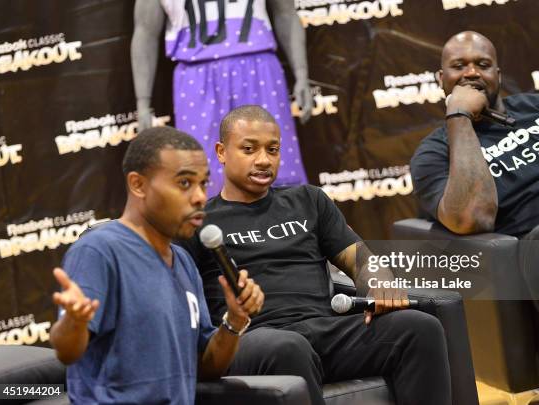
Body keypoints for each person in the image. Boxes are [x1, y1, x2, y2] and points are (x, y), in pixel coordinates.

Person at [178, 105, 452, 405]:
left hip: (323, 330)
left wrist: (380, 282)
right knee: (289, 347)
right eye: (249, 149)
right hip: (254, 339)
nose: (263, 160)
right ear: (221, 152)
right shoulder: (200, 222)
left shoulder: (309, 200)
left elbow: (360, 259)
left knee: (419, 328)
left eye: (273, 150)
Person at [410, 31, 539, 394]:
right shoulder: (434, 154)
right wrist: (459, 118)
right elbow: (471, 218)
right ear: (442, 80)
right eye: (459, 66)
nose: (471, 73)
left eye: (482, 65)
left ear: (498, 74)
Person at [49, 126, 264, 404]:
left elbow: (206, 366)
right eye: (185, 183)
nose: (199, 196)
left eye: (203, 183)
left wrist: (234, 321)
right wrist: (74, 323)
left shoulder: (184, 261)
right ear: (138, 184)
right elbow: (67, 352)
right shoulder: (100, 250)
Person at [131, 0, 311, 197]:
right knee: (204, 175)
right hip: (196, 77)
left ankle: (285, 224)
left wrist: (302, 75)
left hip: (258, 69)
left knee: (276, 170)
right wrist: (143, 103)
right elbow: (145, 34)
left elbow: (286, 14)